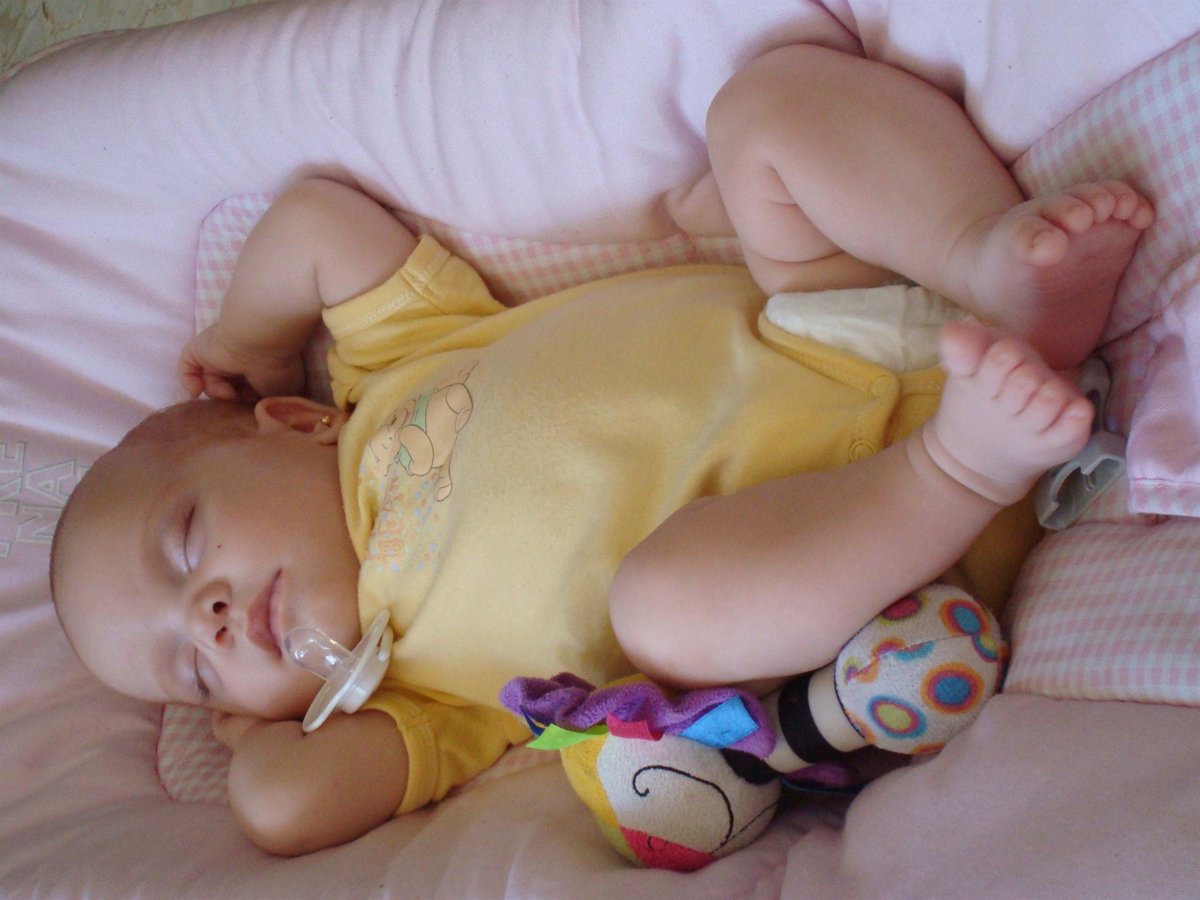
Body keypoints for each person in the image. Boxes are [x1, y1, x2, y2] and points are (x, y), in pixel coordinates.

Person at [48, 45, 1152, 857]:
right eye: (193, 668)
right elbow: (286, 808)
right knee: (663, 612)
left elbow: (312, 224)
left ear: (294, 420)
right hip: (858, 560)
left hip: (842, 321)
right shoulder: (423, 699)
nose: (208, 619)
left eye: (186, 546)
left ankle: (983, 255)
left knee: (764, 113)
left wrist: (246, 338)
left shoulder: (388, 371)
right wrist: (252, 742)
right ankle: (966, 463)